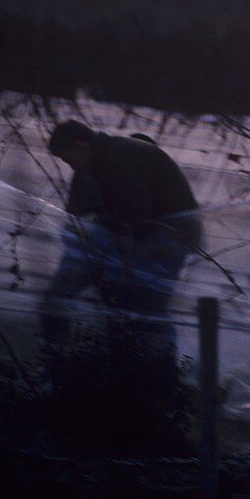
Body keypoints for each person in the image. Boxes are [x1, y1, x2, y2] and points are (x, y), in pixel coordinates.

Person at [42, 119, 202, 372]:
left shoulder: (119, 158)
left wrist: (97, 223)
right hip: (169, 234)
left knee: (147, 303)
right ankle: (148, 368)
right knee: (139, 302)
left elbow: (135, 212)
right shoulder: (110, 157)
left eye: (68, 159)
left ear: (80, 145)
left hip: (169, 236)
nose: (70, 166)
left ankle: (158, 371)